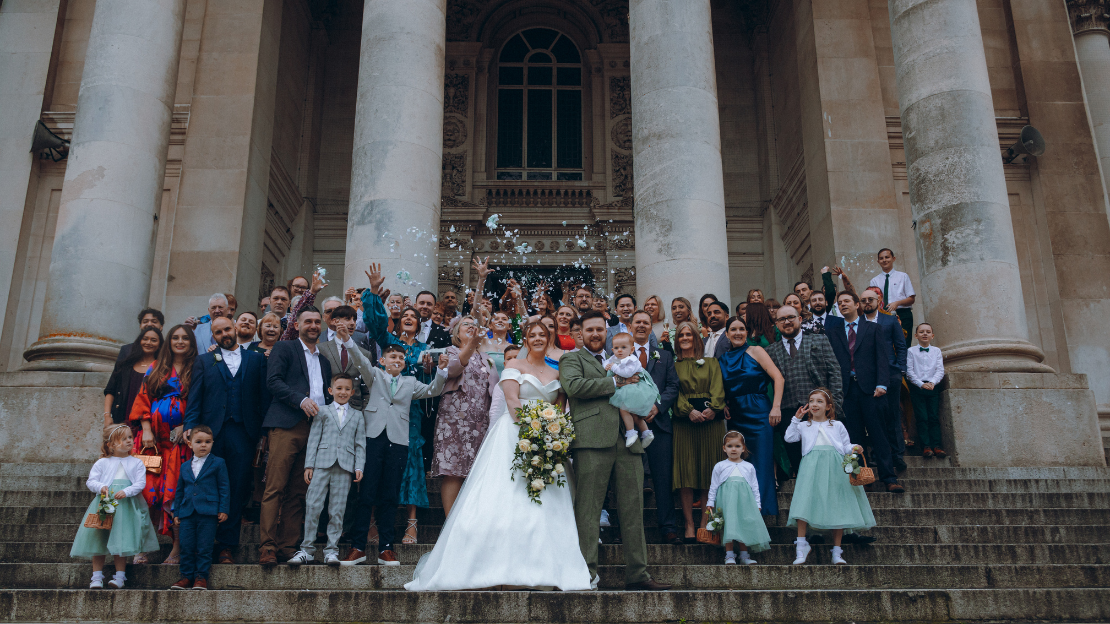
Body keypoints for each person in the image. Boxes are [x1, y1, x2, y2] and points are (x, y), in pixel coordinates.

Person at [406, 321, 591, 590]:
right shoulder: (514, 365)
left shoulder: (558, 370)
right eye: (532, 335)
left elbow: (561, 406)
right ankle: (491, 565)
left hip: (548, 439)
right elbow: (513, 400)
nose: (538, 338)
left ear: (549, 338)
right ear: (526, 340)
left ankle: (543, 565)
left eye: (543, 334)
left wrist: (553, 436)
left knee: (545, 503)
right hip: (515, 434)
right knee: (505, 498)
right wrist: (533, 430)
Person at [560, 312, 669, 590]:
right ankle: (586, 574)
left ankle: (638, 574)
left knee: (634, 508)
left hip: (628, 439)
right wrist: (615, 383)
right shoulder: (571, 358)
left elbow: (642, 383)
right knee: (588, 510)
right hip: (591, 440)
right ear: (580, 334)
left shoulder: (621, 358)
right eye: (590, 330)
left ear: (606, 332)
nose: (595, 334)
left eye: (600, 329)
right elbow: (574, 387)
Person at [343, 340, 448, 567]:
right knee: (367, 492)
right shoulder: (375, 376)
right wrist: (348, 342)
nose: (397, 360)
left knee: (391, 494)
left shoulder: (410, 382)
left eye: (401, 358)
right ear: (382, 361)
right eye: (392, 357)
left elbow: (433, 390)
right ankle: (358, 547)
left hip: (399, 441)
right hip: (373, 437)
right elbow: (360, 362)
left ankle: (386, 549)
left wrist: (442, 370)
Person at [362, 264, 440, 546]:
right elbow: (373, 322)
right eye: (405, 315)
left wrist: (429, 368)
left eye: (413, 317)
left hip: (412, 413)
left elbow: (432, 385)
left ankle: (411, 524)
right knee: (379, 462)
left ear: (419, 324)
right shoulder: (389, 343)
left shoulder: (424, 350)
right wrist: (372, 292)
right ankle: (372, 521)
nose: (409, 318)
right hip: (383, 410)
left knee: (412, 465)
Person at [184, 316, 268, 564]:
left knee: (237, 486)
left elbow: (263, 399)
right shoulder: (204, 361)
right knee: (207, 487)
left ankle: (227, 546)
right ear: (213, 336)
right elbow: (195, 396)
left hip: (243, 433)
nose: (224, 334)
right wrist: (190, 425)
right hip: (210, 433)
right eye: (218, 332)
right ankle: (204, 542)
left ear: (234, 327)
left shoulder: (255, 360)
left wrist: (263, 433)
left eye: (226, 329)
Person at [259, 305, 333, 565]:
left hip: (315, 430)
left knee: (299, 491)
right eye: (308, 322)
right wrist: (300, 400)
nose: (313, 326)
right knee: (275, 488)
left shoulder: (324, 361)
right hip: (287, 424)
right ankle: (267, 547)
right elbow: (273, 382)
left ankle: (287, 547)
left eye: (316, 322)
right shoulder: (285, 348)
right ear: (298, 325)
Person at [128, 324, 197, 561]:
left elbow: (201, 401)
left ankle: (176, 548)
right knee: (147, 493)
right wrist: (146, 428)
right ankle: (142, 546)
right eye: (175, 337)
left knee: (177, 495)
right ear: (169, 341)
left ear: (191, 342)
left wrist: (186, 424)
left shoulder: (197, 368)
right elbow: (143, 397)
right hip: (153, 443)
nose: (180, 341)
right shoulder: (156, 367)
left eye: (185, 338)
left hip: (181, 444)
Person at [785, 389, 876, 565]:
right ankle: (802, 545)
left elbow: (845, 445)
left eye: (819, 401)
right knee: (805, 501)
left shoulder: (837, 425)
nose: (814, 404)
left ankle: (837, 551)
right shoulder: (805, 426)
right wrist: (796, 419)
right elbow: (789, 438)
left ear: (828, 407)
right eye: (811, 401)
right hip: (811, 466)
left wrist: (855, 447)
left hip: (835, 465)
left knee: (837, 503)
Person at [824, 292, 903, 493]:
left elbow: (882, 358)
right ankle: (857, 476)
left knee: (879, 435)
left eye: (847, 301)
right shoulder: (832, 332)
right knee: (851, 438)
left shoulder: (873, 328)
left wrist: (882, 384)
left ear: (857, 304)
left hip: (871, 390)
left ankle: (889, 477)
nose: (843, 305)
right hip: (846, 391)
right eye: (839, 303)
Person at [288, 373, 366, 568]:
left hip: (344, 466)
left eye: (347, 389)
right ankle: (307, 549)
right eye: (339, 388)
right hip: (322, 463)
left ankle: (332, 550)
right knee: (313, 505)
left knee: (337, 510)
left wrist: (358, 466)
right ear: (331, 391)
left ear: (352, 392)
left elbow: (360, 444)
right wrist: (309, 465)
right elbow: (314, 438)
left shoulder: (357, 415)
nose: (343, 392)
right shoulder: (322, 411)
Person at [71, 425, 160, 589]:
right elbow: (91, 481)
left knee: (121, 539)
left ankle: (120, 576)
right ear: (110, 444)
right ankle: (96, 577)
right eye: (123, 438)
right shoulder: (102, 462)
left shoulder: (136, 463)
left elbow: (140, 483)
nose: (129, 441)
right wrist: (101, 487)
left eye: (130, 438)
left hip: (125, 506)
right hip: (104, 504)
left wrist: (126, 491)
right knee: (99, 539)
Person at [765, 306, 843, 482]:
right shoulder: (770, 351)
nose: (787, 322)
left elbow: (835, 372)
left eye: (791, 317)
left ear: (800, 319)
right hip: (788, 414)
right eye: (782, 319)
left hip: (820, 412)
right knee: (799, 464)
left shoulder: (820, 340)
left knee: (825, 461)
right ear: (776, 324)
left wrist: (835, 404)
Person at [717, 316, 784, 516]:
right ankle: (743, 513)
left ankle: (761, 513)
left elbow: (778, 378)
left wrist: (776, 407)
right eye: (733, 330)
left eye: (742, 329)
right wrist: (724, 405)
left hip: (760, 412)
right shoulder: (722, 360)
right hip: (736, 416)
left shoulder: (756, 351)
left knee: (761, 463)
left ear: (747, 332)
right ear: (727, 334)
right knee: (740, 464)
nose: (738, 333)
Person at [434, 316, 497, 516]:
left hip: (480, 420)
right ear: (456, 333)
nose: (471, 326)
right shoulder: (450, 351)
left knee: (475, 471)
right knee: (453, 470)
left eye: (473, 324)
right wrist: (471, 345)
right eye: (466, 324)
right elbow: (453, 369)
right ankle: (449, 523)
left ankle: (468, 522)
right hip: (454, 420)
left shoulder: (487, 357)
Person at [628, 311, 681, 544]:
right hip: (629, 426)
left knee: (662, 477)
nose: (641, 326)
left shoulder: (664, 356)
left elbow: (672, 386)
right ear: (630, 326)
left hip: (658, 425)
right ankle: (628, 530)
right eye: (637, 322)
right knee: (629, 480)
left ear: (652, 328)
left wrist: (658, 407)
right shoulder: (620, 354)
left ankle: (668, 526)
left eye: (645, 323)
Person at [671, 320, 726, 543]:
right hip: (685, 423)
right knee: (686, 473)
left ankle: (705, 523)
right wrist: (688, 410)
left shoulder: (711, 363)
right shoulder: (673, 365)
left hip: (710, 423)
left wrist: (714, 408)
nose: (685, 338)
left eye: (689, 335)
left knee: (706, 471)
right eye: (681, 335)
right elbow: (673, 391)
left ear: (696, 338)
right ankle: (689, 524)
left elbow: (718, 387)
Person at [169, 425, 230, 590]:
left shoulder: (218, 463)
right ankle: (186, 577)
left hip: (208, 512)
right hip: (188, 512)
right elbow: (180, 490)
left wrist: (223, 509)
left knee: (204, 546)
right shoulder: (184, 466)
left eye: (208, 442)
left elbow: (224, 487)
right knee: (186, 546)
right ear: (190, 444)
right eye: (199, 441)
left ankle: (201, 577)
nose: (203, 445)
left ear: (212, 443)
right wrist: (177, 512)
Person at [860, 288, 909, 472]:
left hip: (891, 373)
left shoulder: (889, 320)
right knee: (873, 417)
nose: (867, 303)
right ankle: (876, 454)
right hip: (869, 376)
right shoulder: (859, 323)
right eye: (863, 300)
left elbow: (900, 345)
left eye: (870, 299)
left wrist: (900, 368)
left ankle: (897, 455)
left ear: (878, 300)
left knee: (893, 415)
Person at [705, 431, 771, 564]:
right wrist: (710, 501)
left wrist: (757, 503)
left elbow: (754, 487)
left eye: (737, 446)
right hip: (726, 501)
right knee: (729, 525)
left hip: (744, 502)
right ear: (724, 448)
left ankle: (744, 555)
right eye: (729, 446)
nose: (733, 449)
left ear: (743, 448)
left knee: (743, 524)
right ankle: (729, 555)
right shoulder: (720, 466)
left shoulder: (749, 467)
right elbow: (714, 486)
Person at [604, 332, 660, 449]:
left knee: (623, 409)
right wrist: (607, 365)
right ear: (612, 349)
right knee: (635, 414)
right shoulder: (616, 358)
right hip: (628, 389)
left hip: (635, 389)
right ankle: (646, 433)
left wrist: (613, 367)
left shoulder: (631, 360)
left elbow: (627, 373)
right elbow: (607, 363)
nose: (620, 350)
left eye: (623, 347)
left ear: (631, 349)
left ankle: (631, 432)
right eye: (616, 348)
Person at [318, 306, 377, 410]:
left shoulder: (365, 354)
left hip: (355, 410)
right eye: (347, 319)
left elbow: (366, 389)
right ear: (335, 321)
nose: (352, 323)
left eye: (354, 319)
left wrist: (363, 412)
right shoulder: (321, 349)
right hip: (327, 408)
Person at [104, 328, 162, 428]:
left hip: (150, 422)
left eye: (154, 340)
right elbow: (110, 390)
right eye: (145, 339)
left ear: (160, 344)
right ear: (139, 341)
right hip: (122, 418)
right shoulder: (125, 365)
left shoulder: (162, 368)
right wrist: (107, 415)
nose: (148, 342)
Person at [907, 323, 946, 458]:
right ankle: (926, 446)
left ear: (932, 335)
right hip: (917, 387)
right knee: (922, 417)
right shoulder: (911, 351)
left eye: (928, 332)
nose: (925, 334)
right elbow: (909, 371)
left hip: (933, 386)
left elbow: (940, 370)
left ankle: (937, 446)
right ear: (916, 335)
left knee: (933, 417)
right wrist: (920, 384)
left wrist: (932, 382)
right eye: (921, 331)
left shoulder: (936, 351)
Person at [870, 248, 916, 336]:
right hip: (883, 315)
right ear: (878, 261)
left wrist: (897, 303)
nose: (884, 260)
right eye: (881, 258)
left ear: (893, 259)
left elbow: (911, 299)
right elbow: (874, 300)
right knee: (886, 344)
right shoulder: (874, 281)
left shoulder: (903, 276)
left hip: (903, 314)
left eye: (887, 257)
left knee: (904, 343)